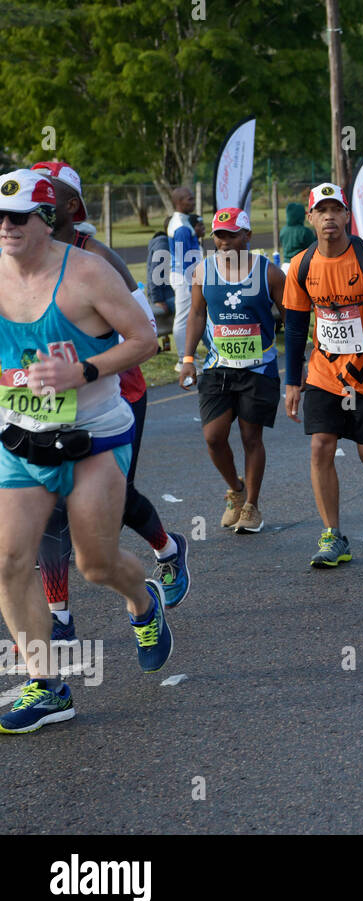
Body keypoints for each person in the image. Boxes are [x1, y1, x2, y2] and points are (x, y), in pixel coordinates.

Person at [0, 169, 171, 733]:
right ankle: (45, 686)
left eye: (18, 217)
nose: (6, 227)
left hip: (94, 438)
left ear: (46, 220)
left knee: (93, 564)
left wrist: (83, 371)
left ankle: (143, 601)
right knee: (7, 562)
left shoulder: (89, 273)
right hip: (21, 438)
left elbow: (145, 339)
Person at [29, 161, 190, 638]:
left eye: (48, 195)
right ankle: (58, 617)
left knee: (107, 505)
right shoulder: (15, 260)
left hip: (117, 392)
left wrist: (80, 360)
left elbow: (142, 332)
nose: (35, 205)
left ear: (70, 206)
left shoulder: (96, 258)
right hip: (43, 401)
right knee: (50, 506)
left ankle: (168, 550)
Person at [282, 183, 363, 567]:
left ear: (347, 215)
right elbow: (294, 328)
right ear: (311, 218)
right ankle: (333, 536)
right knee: (320, 444)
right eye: (322, 211)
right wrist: (292, 381)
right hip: (324, 374)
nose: (329, 217)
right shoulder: (302, 266)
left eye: (336, 209)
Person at [179, 207, 285, 534]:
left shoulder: (269, 274)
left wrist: (301, 366)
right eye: (218, 235)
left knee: (251, 437)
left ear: (248, 236)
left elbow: (292, 318)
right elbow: (197, 315)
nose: (224, 242)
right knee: (214, 437)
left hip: (259, 367)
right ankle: (235, 490)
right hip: (217, 367)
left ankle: (252, 506)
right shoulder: (203, 272)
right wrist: (186, 359)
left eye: (231, 235)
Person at [167, 186, 203, 372]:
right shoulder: (181, 226)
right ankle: (182, 360)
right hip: (184, 277)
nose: (193, 201)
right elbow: (184, 258)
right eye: (189, 199)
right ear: (179, 202)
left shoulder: (183, 222)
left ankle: (192, 355)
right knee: (183, 318)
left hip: (186, 276)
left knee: (189, 316)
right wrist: (192, 281)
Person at [278, 200, 316, 267]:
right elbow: (314, 247)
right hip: (300, 265)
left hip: (285, 265)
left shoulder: (283, 230)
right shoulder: (304, 231)